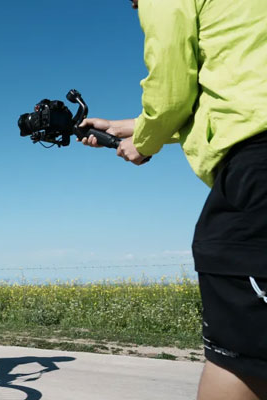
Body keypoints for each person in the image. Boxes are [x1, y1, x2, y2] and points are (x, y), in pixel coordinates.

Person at [80, 0, 267, 399]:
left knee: (241, 354)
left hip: (257, 165)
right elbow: (225, 96)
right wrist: (125, 126)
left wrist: (144, 144)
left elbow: (171, 89)